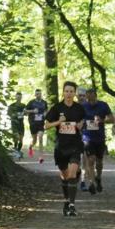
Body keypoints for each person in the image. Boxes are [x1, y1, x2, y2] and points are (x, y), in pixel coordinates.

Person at [44, 81, 86, 217]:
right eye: (66, 91)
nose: (69, 94)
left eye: (71, 91)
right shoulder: (57, 108)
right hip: (61, 146)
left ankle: (72, 205)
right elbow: (46, 125)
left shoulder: (79, 108)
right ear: (63, 92)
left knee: (73, 174)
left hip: (75, 145)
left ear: (75, 93)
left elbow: (83, 121)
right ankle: (66, 201)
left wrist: (81, 125)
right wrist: (59, 122)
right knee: (65, 176)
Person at [81, 87, 113, 194]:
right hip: (87, 137)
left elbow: (112, 119)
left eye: (91, 94)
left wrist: (102, 120)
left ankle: (98, 177)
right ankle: (91, 183)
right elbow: (77, 119)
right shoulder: (83, 106)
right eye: (87, 95)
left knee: (99, 161)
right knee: (91, 160)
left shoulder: (103, 105)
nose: (89, 97)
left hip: (99, 137)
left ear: (95, 95)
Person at [24, 89, 48, 158]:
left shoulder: (44, 102)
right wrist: (32, 111)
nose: (38, 95)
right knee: (34, 140)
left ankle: (41, 156)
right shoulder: (31, 102)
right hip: (33, 123)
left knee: (40, 137)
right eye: (37, 94)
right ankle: (31, 147)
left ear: (41, 94)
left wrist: (45, 114)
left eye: (39, 94)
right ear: (35, 95)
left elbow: (46, 110)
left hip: (41, 123)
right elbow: (25, 111)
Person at [7, 92, 26, 159]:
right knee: (16, 137)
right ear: (15, 97)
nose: (19, 98)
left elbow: (26, 113)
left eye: (20, 97)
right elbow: (9, 114)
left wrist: (25, 113)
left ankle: (18, 151)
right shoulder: (12, 105)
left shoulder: (23, 105)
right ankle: (15, 151)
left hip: (21, 123)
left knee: (21, 139)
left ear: (21, 98)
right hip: (14, 123)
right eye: (17, 97)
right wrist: (15, 114)